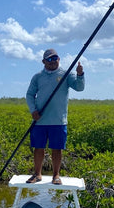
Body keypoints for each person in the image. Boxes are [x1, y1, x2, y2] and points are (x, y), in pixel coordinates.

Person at [25, 49, 85, 185]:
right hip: (40, 119)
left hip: (58, 120)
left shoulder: (66, 74)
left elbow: (79, 87)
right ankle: (37, 174)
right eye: (49, 59)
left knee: (57, 148)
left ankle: (56, 175)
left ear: (59, 59)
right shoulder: (38, 77)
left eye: (55, 58)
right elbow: (30, 94)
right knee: (38, 147)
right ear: (43, 61)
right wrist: (33, 110)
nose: (53, 62)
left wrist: (80, 75)